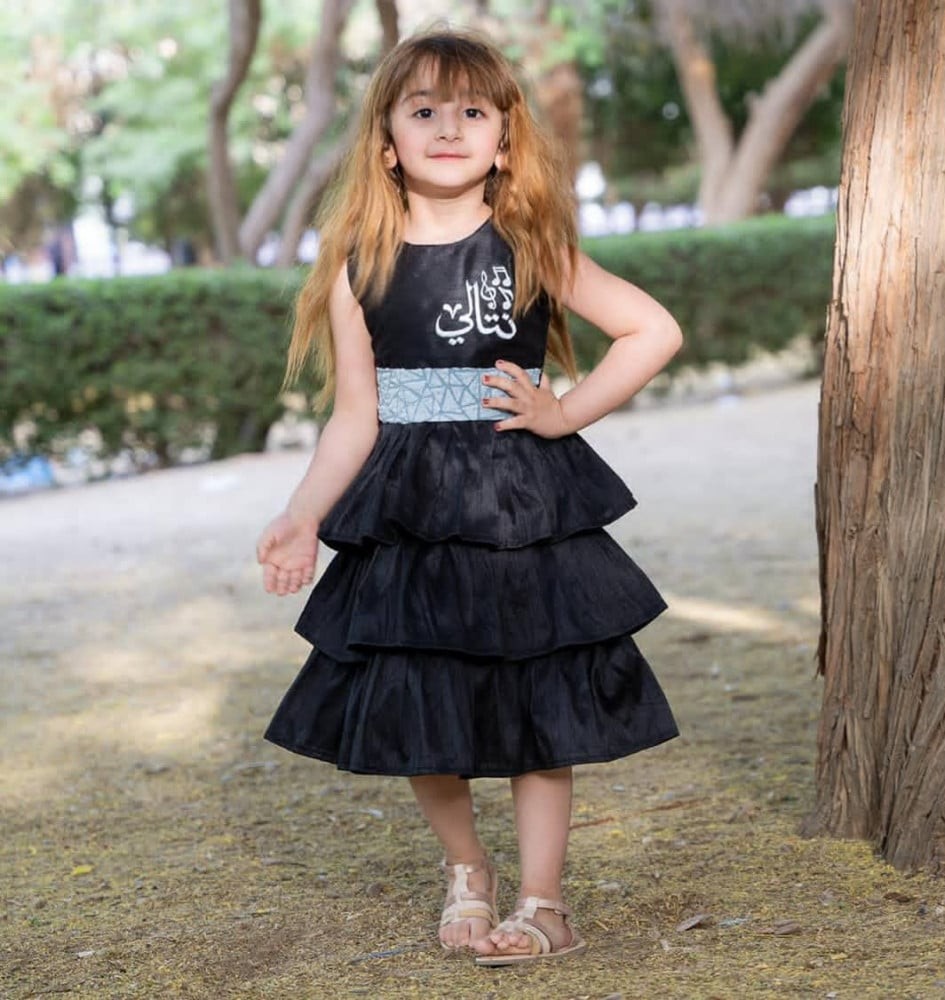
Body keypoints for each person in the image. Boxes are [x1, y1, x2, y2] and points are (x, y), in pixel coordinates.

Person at [256, 27, 683, 966]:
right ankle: (467, 870)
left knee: (538, 700)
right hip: (410, 511)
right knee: (420, 697)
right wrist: (302, 514)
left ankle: (544, 905)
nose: (449, 129)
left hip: (521, 510)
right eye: (424, 111)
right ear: (386, 141)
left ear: (504, 137)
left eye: (472, 111)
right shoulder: (357, 265)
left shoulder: (530, 245)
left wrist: (563, 414)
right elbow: (355, 418)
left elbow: (651, 331)